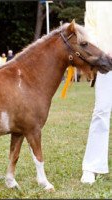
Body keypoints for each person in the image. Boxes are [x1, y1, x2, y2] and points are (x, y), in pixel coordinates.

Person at [81, 1, 112, 184]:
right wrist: (102, 51)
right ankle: (92, 166)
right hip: (106, 63)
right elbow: (90, 29)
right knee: (101, 111)